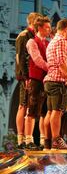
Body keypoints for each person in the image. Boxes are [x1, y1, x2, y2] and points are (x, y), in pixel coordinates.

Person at [44, 19, 67, 150]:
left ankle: (48, 141)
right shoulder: (61, 41)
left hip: (50, 80)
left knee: (50, 112)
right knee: (57, 111)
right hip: (58, 81)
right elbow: (61, 62)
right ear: (66, 29)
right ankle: (56, 140)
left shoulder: (52, 42)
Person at [15, 12, 42, 149]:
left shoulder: (34, 36)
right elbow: (20, 58)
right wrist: (25, 77)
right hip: (26, 76)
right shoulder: (24, 35)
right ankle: (21, 140)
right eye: (39, 22)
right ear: (33, 22)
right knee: (23, 105)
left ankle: (27, 139)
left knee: (29, 106)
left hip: (32, 76)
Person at [24, 15, 51, 150]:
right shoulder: (32, 42)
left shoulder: (48, 43)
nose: (49, 30)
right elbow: (37, 60)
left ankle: (42, 140)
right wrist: (51, 67)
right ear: (39, 28)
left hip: (46, 80)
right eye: (47, 27)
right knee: (32, 109)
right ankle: (28, 139)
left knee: (44, 112)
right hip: (36, 79)